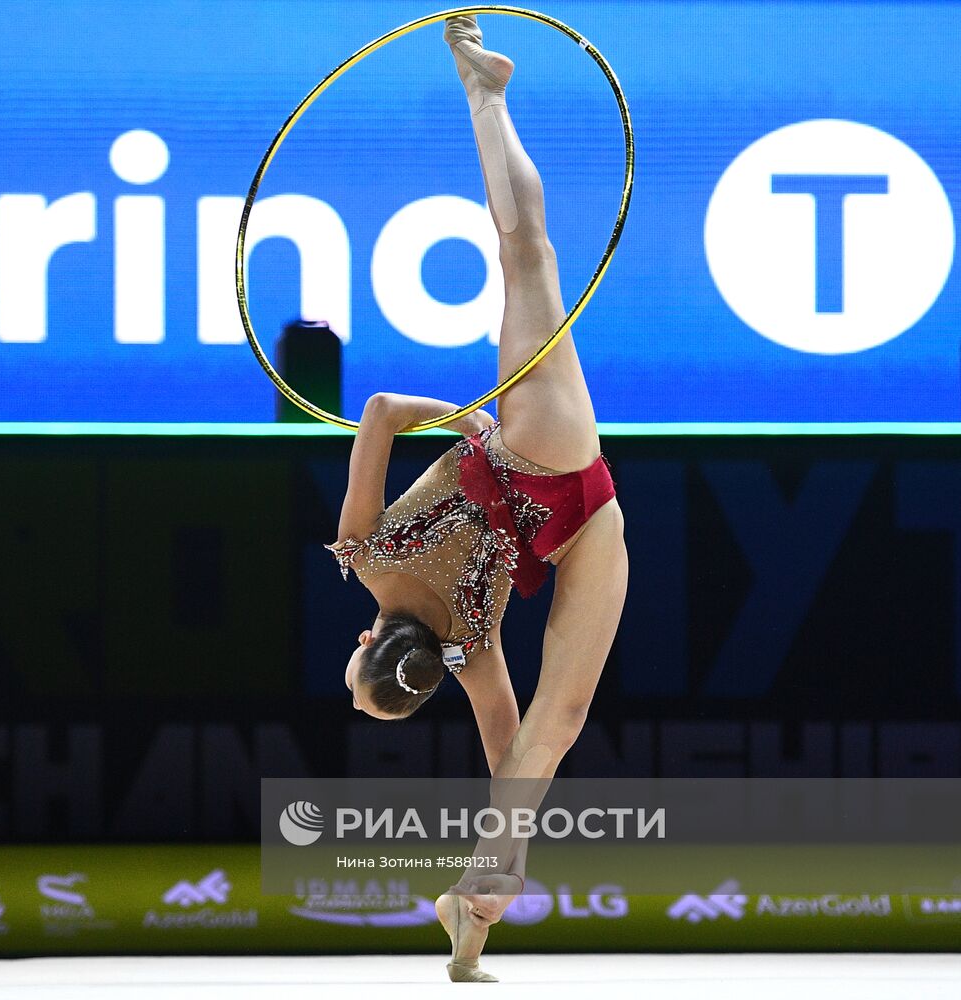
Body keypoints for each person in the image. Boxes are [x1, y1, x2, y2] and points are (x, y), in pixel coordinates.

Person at [324, 15, 629, 982]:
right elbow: (374, 412)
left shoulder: (473, 652)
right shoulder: (363, 557)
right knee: (526, 253)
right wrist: (455, 418)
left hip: (585, 516)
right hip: (528, 453)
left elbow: (508, 748)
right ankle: (484, 95)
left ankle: (485, 892)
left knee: (559, 719)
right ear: (368, 644)